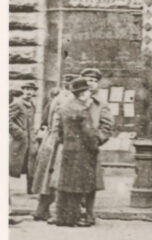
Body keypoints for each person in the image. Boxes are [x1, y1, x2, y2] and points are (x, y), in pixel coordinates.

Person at [52, 78, 101, 227]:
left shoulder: (64, 108)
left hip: (67, 149)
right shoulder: (82, 110)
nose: (89, 94)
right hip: (82, 151)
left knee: (65, 184)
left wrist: (65, 142)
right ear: (82, 94)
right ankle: (74, 218)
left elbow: (59, 131)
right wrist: (95, 148)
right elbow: (89, 134)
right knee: (79, 185)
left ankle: (62, 217)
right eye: (87, 92)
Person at [31, 74, 77, 221]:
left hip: (50, 140)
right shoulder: (68, 99)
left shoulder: (57, 98)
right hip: (59, 142)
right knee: (58, 177)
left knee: (47, 177)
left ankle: (41, 210)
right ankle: (58, 213)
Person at [79, 69, 114, 226]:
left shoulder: (102, 104)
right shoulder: (75, 100)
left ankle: (89, 214)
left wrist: (96, 140)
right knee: (73, 180)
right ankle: (76, 212)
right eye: (87, 79)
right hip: (73, 147)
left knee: (90, 182)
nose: (90, 82)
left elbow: (107, 126)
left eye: (93, 80)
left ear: (97, 83)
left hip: (91, 148)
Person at [9, 81, 38, 188]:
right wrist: (19, 132)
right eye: (26, 89)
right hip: (19, 140)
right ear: (23, 90)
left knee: (31, 164)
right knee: (13, 164)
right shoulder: (17, 103)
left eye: (32, 90)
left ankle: (31, 189)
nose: (29, 92)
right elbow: (7, 119)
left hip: (31, 140)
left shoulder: (33, 104)